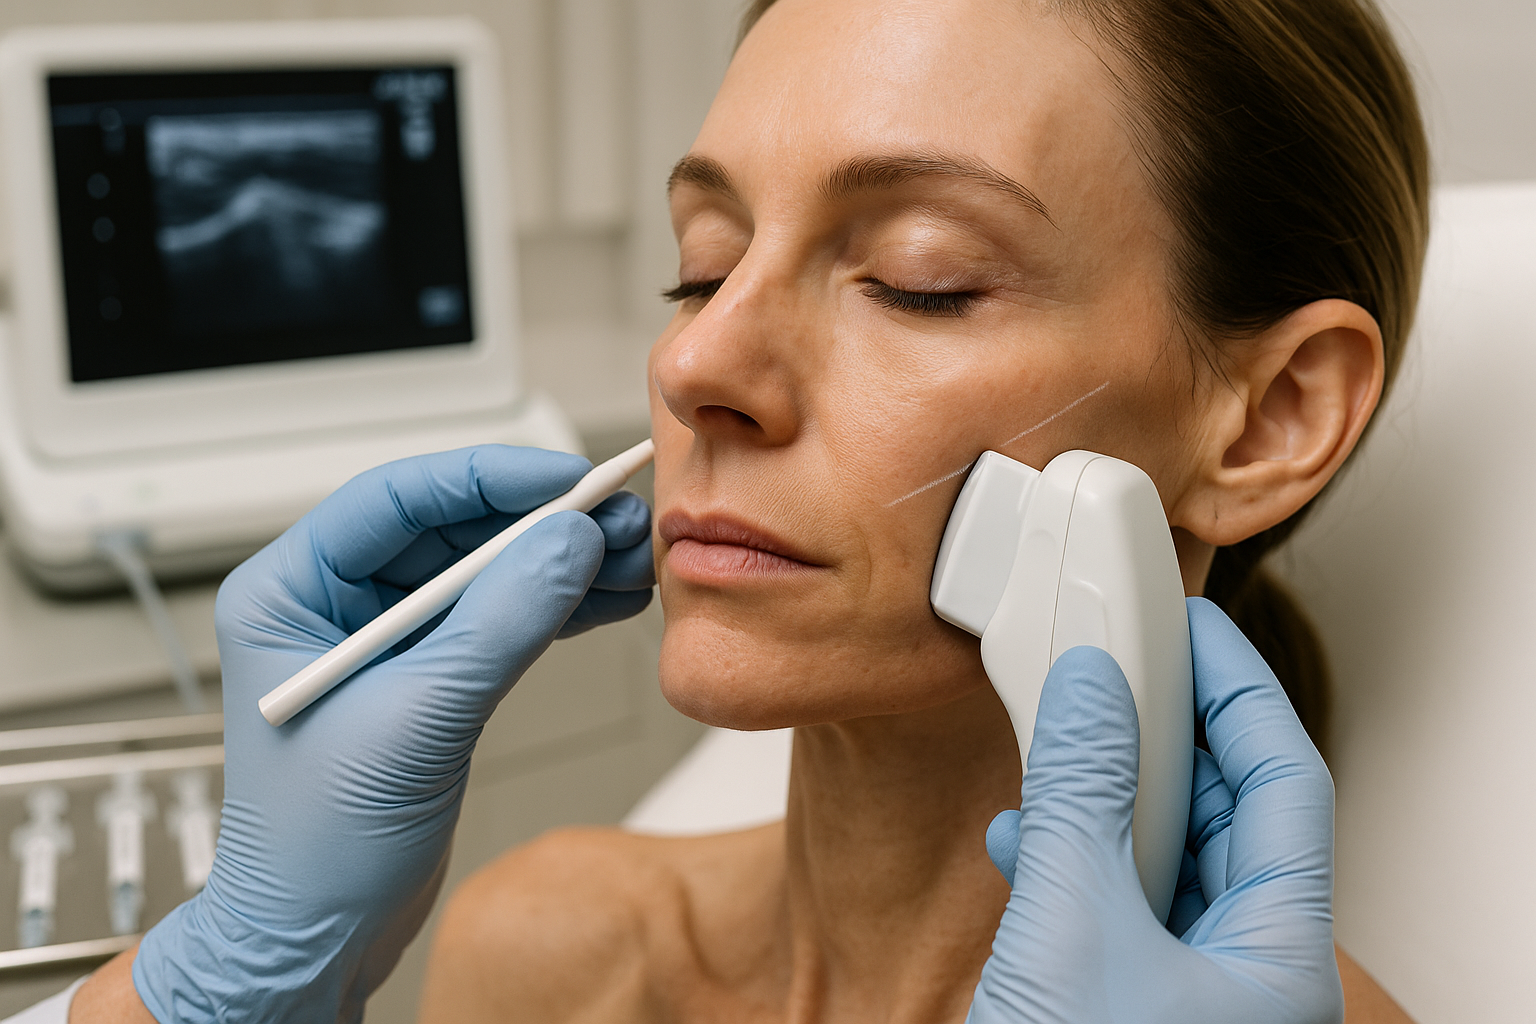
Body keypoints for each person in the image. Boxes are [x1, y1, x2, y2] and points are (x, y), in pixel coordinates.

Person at [46, 0, 1423, 1018]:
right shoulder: (547, 957)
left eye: (916, 277)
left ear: (1273, 415)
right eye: (704, 269)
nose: (693, 364)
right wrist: (213, 979)